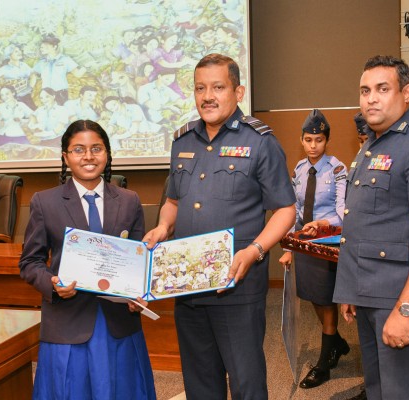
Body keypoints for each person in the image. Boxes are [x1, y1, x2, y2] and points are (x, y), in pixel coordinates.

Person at [143, 53, 296, 400]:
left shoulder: (260, 142)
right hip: (187, 285)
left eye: (218, 87)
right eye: (200, 88)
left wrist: (255, 251)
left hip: (236, 287)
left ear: (238, 92)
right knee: (199, 384)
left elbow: (286, 210)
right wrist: (163, 227)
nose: (207, 96)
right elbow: (173, 202)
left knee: (246, 383)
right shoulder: (182, 141)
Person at [333, 55, 409, 400]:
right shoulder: (373, 144)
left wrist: (406, 310)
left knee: (404, 392)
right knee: (377, 390)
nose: (371, 99)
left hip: (400, 297)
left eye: (382, 89)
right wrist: (352, 291)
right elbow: (366, 223)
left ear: (407, 93)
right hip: (369, 294)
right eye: (365, 91)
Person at [19, 120, 156, 399]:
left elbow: (140, 260)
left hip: (119, 323)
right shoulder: (45, 202)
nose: (88, 156)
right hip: (67, 322)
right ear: (65, 157)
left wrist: (140, 294)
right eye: (78, 150)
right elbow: (30, 262)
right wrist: (52, 284)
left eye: (96, 148)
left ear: (107, 154)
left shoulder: (129, 200)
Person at [278, 109, 350, 389]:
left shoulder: (337, 169)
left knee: (325, 299)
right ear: (302, 140)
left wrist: (322, 224)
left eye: (318, 140)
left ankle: (324, 363)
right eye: (308, 140)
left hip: (326, 242)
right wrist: (289, 246)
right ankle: (336, 342)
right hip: (303, 243)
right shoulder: (298, 169)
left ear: (326, 141)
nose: (313, 145)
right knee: (313, 297)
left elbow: (343, 211)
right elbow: (295, 210)